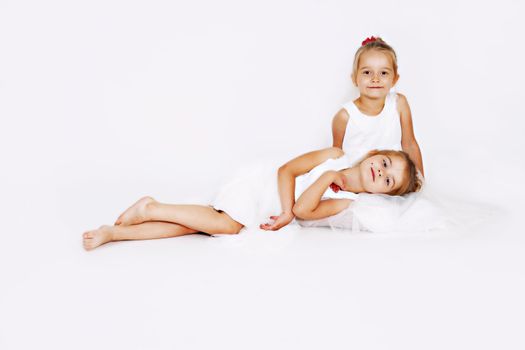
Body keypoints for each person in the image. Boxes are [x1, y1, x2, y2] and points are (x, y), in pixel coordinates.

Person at [82, 147, 421, 250]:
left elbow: (307, 210)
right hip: (262, 185)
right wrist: (328, 176)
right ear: (375, 154)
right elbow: (287, 170)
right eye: (386, 163)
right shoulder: (333, 157)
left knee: (197, 227)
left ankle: (115, 233)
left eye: (389, 181)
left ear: (382, 193)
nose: (381, 171)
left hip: (269, 206)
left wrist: (297, 208)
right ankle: (151, 207)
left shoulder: (349, 201)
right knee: (226, 225)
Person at [332, 36, 425, 176]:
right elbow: (336, 156)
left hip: (390, 179)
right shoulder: (344, 116)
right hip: (358, 181)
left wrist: (420, 180)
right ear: (354, 78)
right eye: (367, 72)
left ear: (394, 79)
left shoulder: (399, 104)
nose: (375, 79)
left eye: (383, 73)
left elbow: (410, 144)